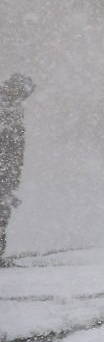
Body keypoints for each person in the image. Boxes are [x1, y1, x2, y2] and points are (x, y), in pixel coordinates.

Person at [0, 73, 34, 262]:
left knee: (3, 208)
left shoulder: (15, 108)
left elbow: (17, 143)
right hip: (6, 165)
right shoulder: (5, 106)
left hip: (9, 166)